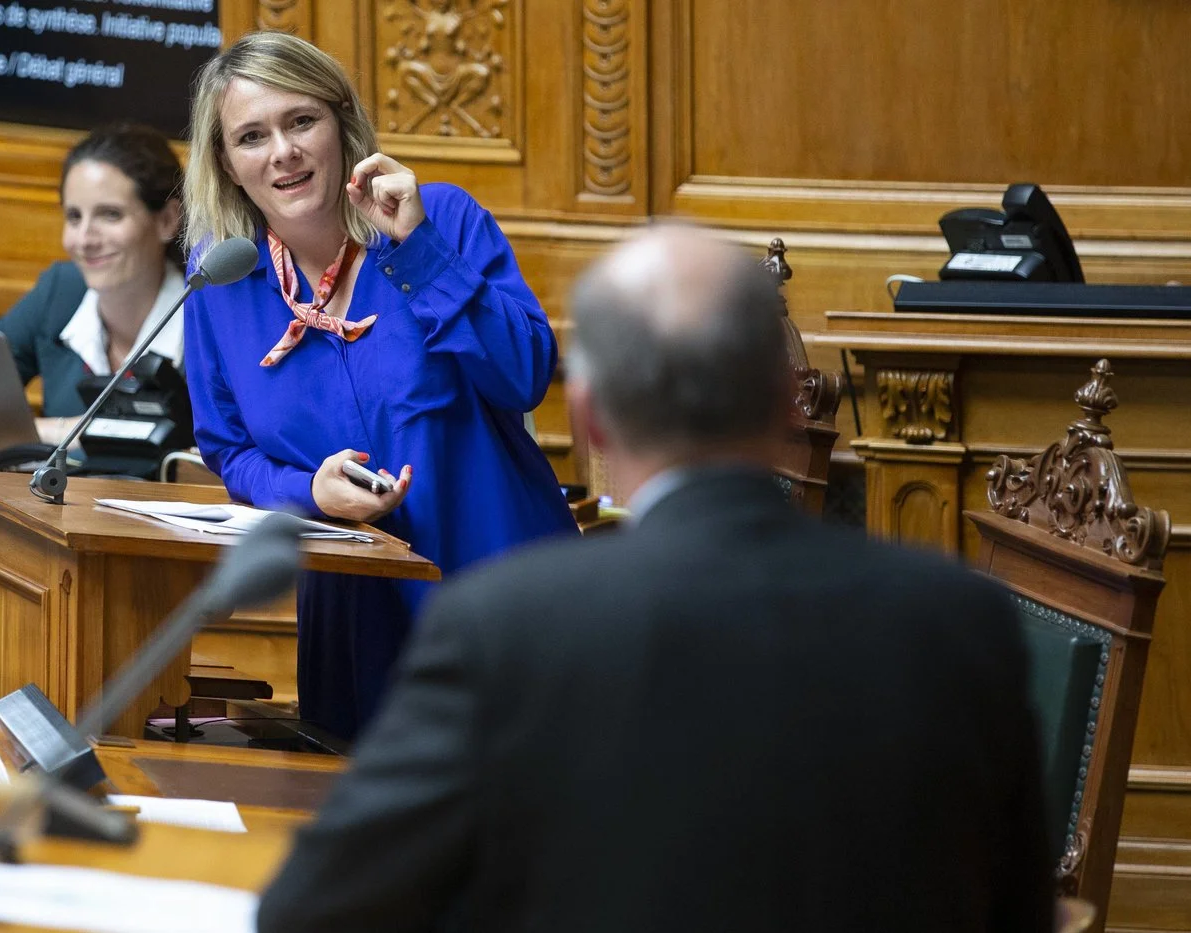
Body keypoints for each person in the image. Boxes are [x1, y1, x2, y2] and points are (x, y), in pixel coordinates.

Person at [257, 226, 1053, 933]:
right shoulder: (962, 621)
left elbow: (312, 908)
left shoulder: (503, 628)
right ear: (785, 400)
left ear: (591, 418)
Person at [182, 32, 577, 740]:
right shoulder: (221, 282)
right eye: (251, 136)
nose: (283, 152)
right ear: (227, 165)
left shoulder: (442, 217)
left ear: (341, 124)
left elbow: (525, 375)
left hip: (504, 596)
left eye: (302, 121)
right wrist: (310, 493)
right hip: (356, 627)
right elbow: (230, 451)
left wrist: (418, 250)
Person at [0, 123, 186, 445]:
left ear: (167, 220)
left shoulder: (211, 314)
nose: (84, 240)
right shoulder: (60, 290)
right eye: (73, 217)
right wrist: (62, 431)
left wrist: (52, 432)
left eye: (109, 215)